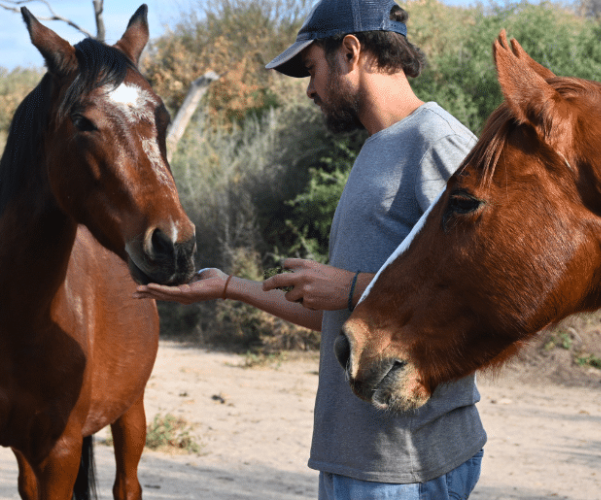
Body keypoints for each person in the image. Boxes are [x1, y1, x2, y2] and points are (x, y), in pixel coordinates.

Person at [134, 0, 486, 497]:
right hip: (361, 457)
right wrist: (230, 288)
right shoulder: (378, 148)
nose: (309, 89)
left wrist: (350, 286)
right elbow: (349, 315)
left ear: (350, 51)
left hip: (405, 465)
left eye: (312, 68)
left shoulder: (436, 141)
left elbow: (485, 295)